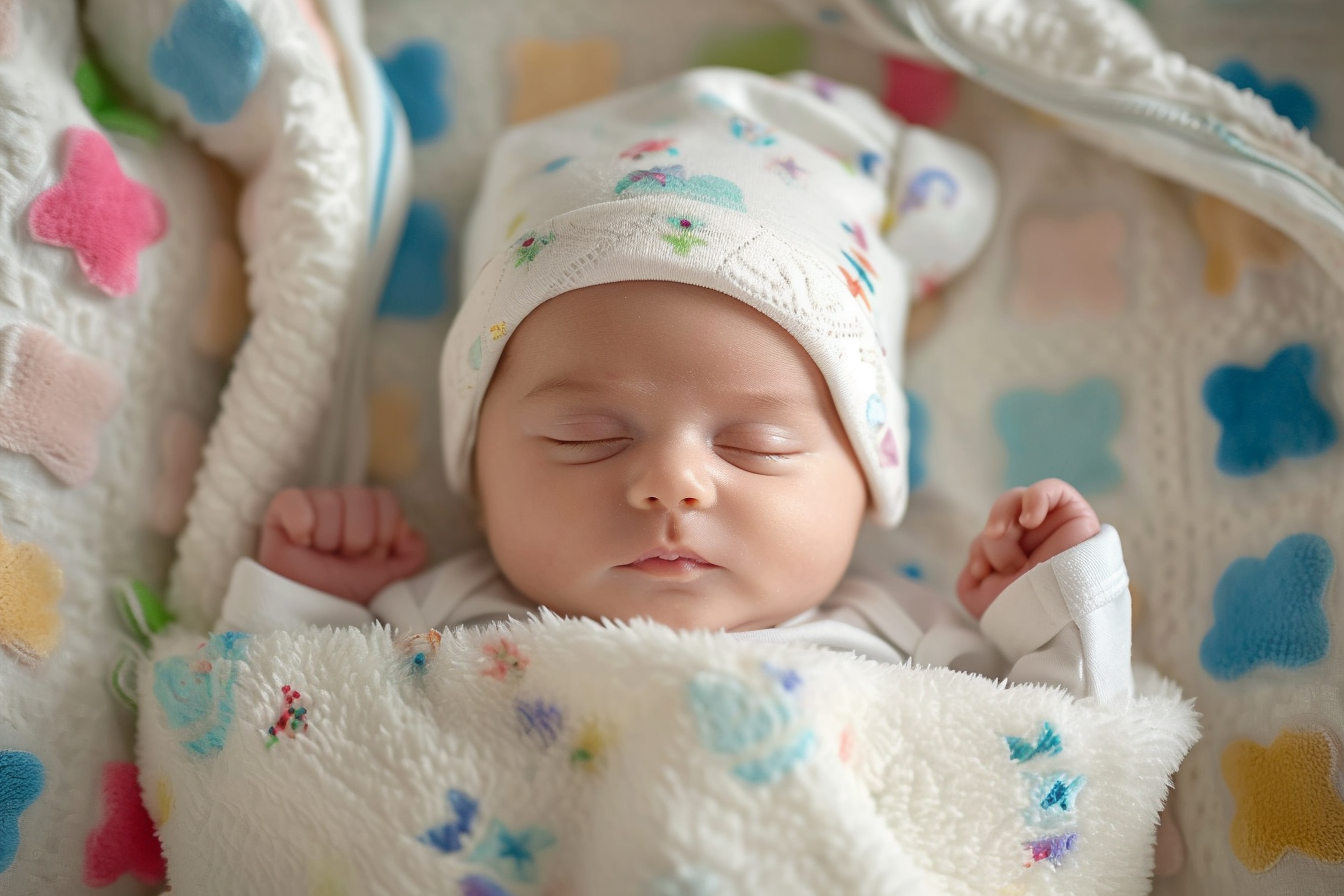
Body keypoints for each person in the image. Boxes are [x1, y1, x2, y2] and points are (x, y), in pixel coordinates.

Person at [219, 67, 1132, 701]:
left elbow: (1060, 773)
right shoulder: (436, 617)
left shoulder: (916, 643)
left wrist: (1055, 608)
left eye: (758, 444)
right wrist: (308, 603)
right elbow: (281, 744)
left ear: (866, 477)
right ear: (478, 463)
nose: (673, 483)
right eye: (587, 435)